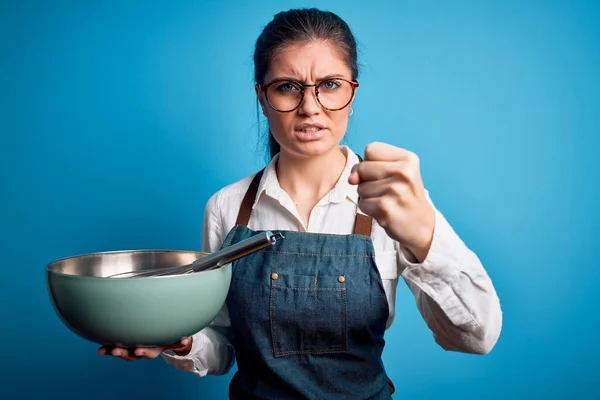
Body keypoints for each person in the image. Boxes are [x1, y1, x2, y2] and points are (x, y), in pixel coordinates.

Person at [98, 7, 503, 398]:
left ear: (352, 91)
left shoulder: (395, 200)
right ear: (262, 96)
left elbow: (477, 336)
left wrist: (423, 237)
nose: (310, 107)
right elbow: (221, 346)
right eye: (288, 86)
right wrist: (179, 337)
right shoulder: (227, 207)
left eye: (329, 85)